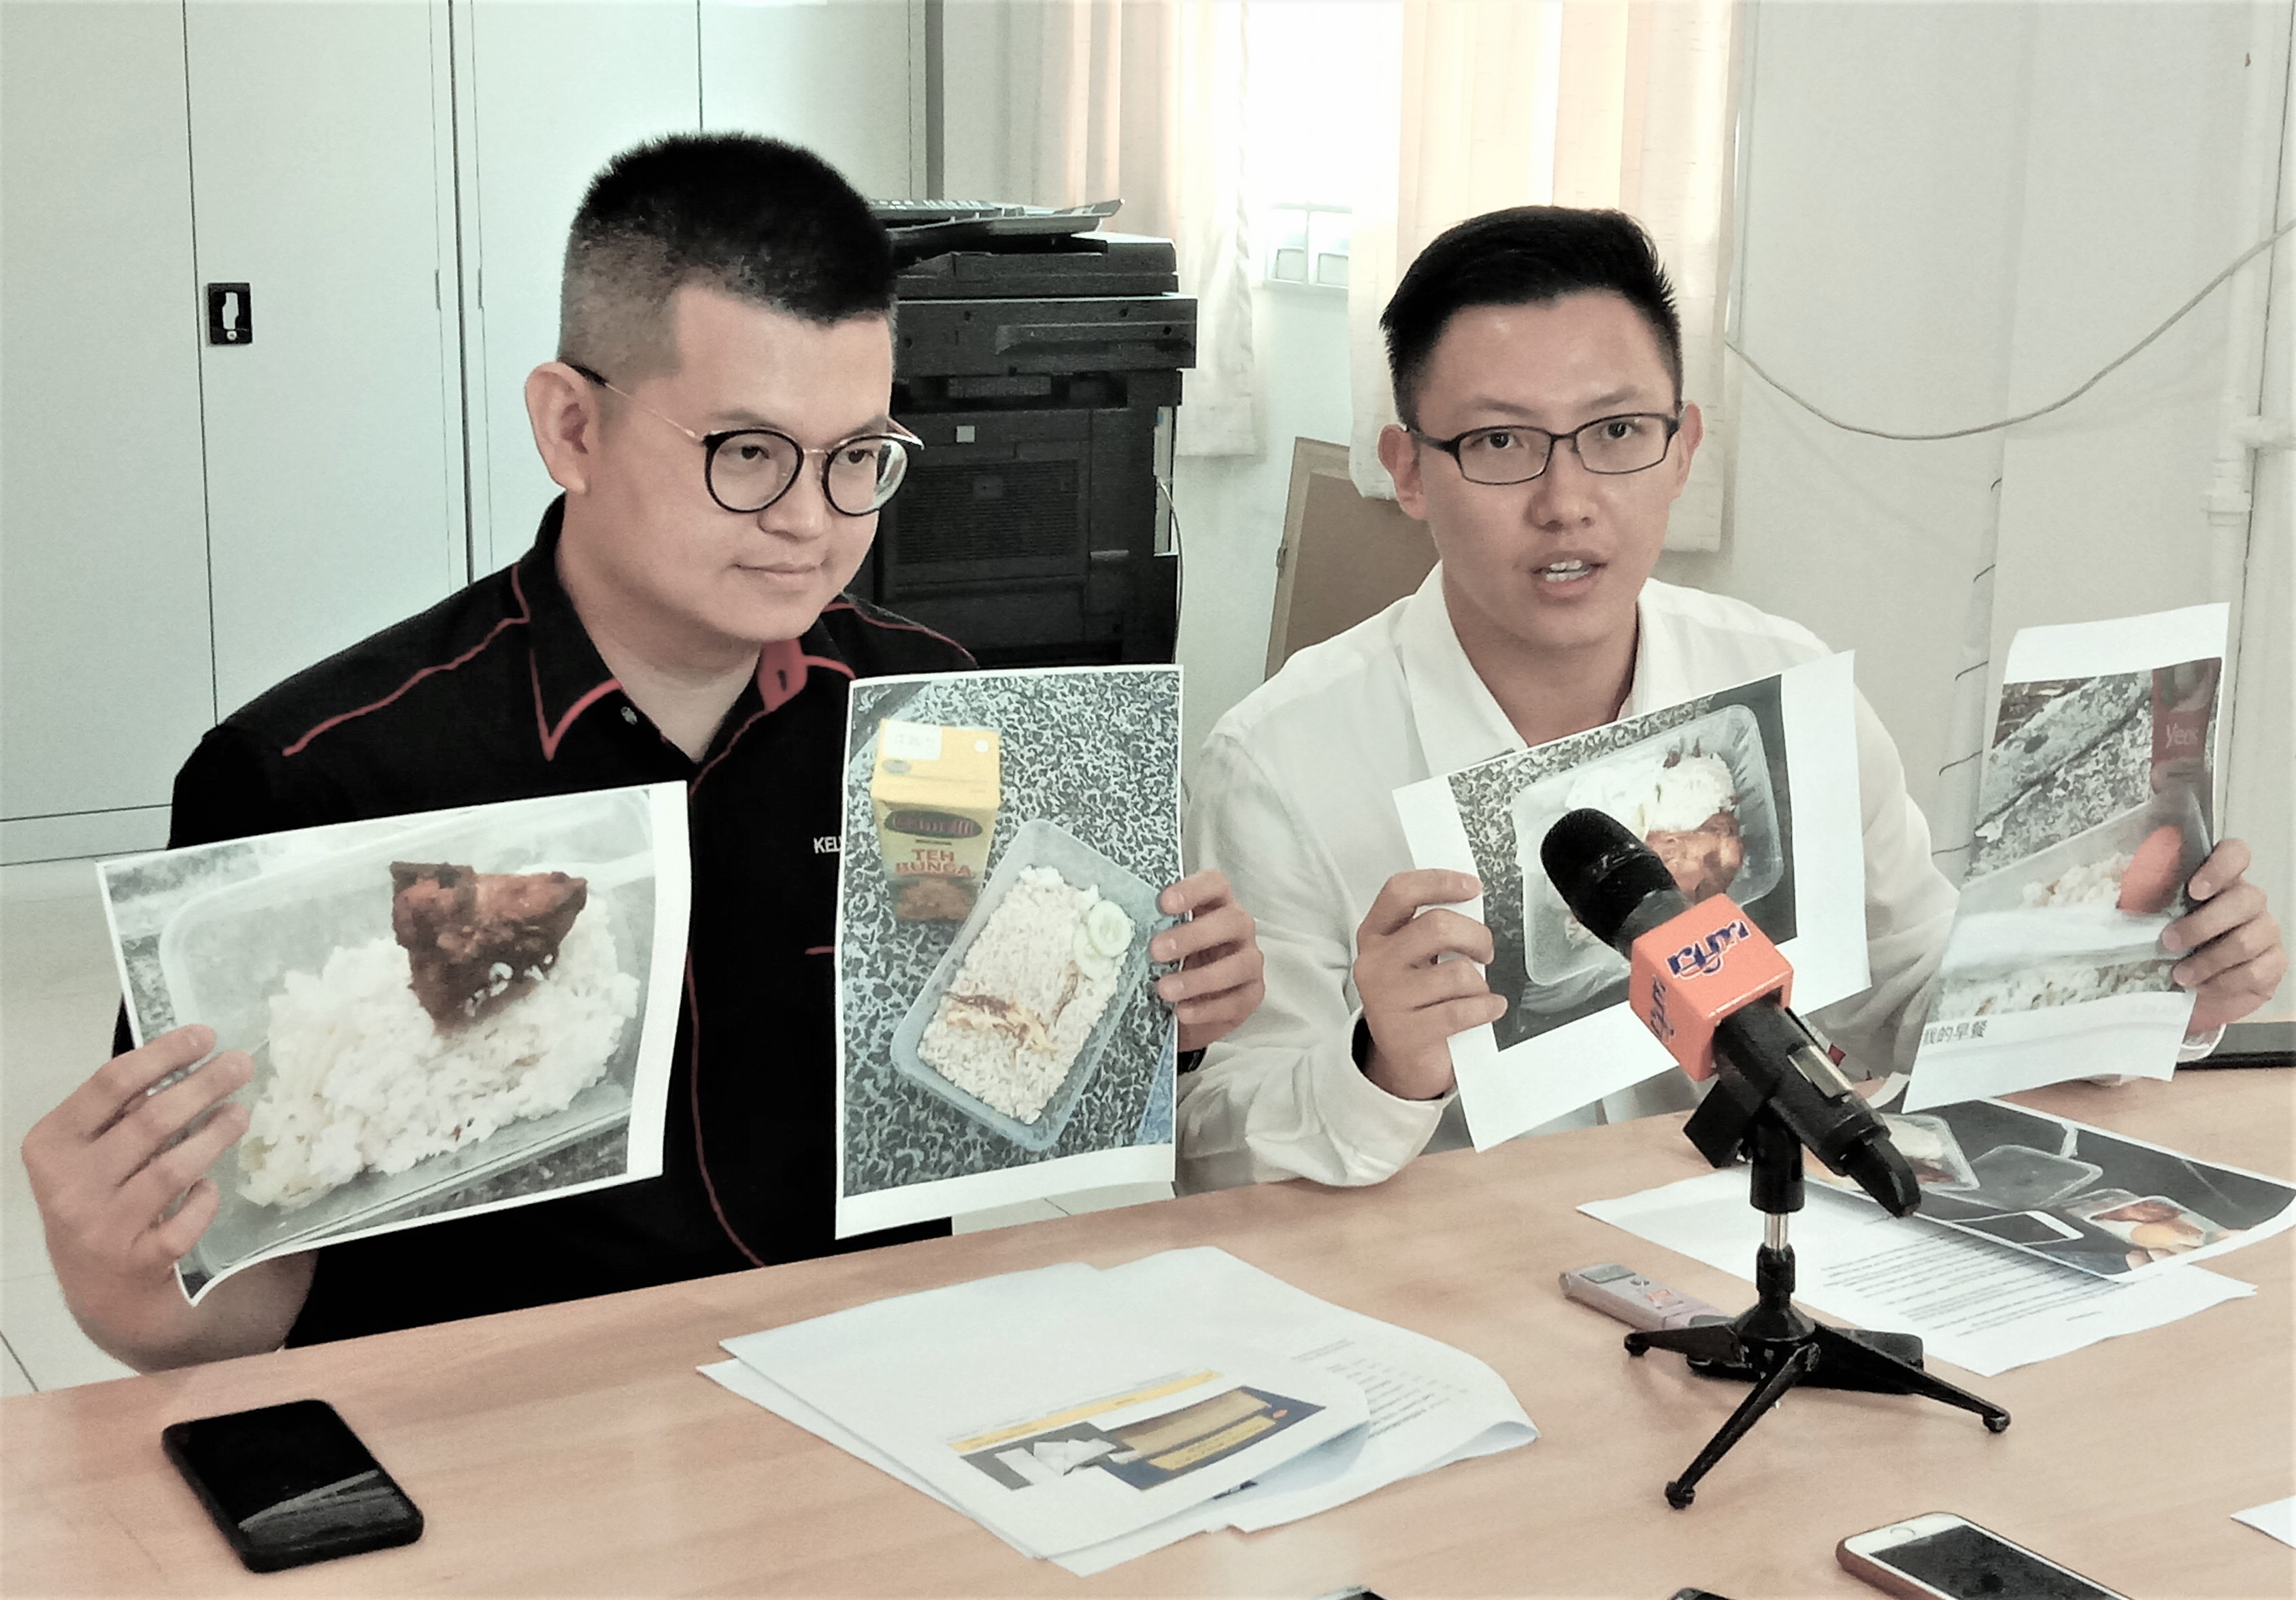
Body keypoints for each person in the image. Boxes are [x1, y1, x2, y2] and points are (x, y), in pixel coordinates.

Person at [22, 134, 1267, 1371]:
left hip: (861, 1387)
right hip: (491, 1423)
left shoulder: (931, 715)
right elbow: (229, 1304)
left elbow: (989, 1076)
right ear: (572, 427)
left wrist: (1155, 1011)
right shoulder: (322, 777)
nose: (810, 521)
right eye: (747, 453)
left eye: (857, 458)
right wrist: (121, 1278)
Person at [1176, 205, 2284, 1193]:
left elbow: (1913, 998)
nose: (1567, 502)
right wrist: (1381, 1066)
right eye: (1500, 442)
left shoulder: (1784, 691)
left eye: (1616, 434)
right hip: (1445, 1287)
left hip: (1755, 1246)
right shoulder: (1285, 758)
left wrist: (2148, 987)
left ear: (1683, 449)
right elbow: (1213, 1151)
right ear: (1409, 470)